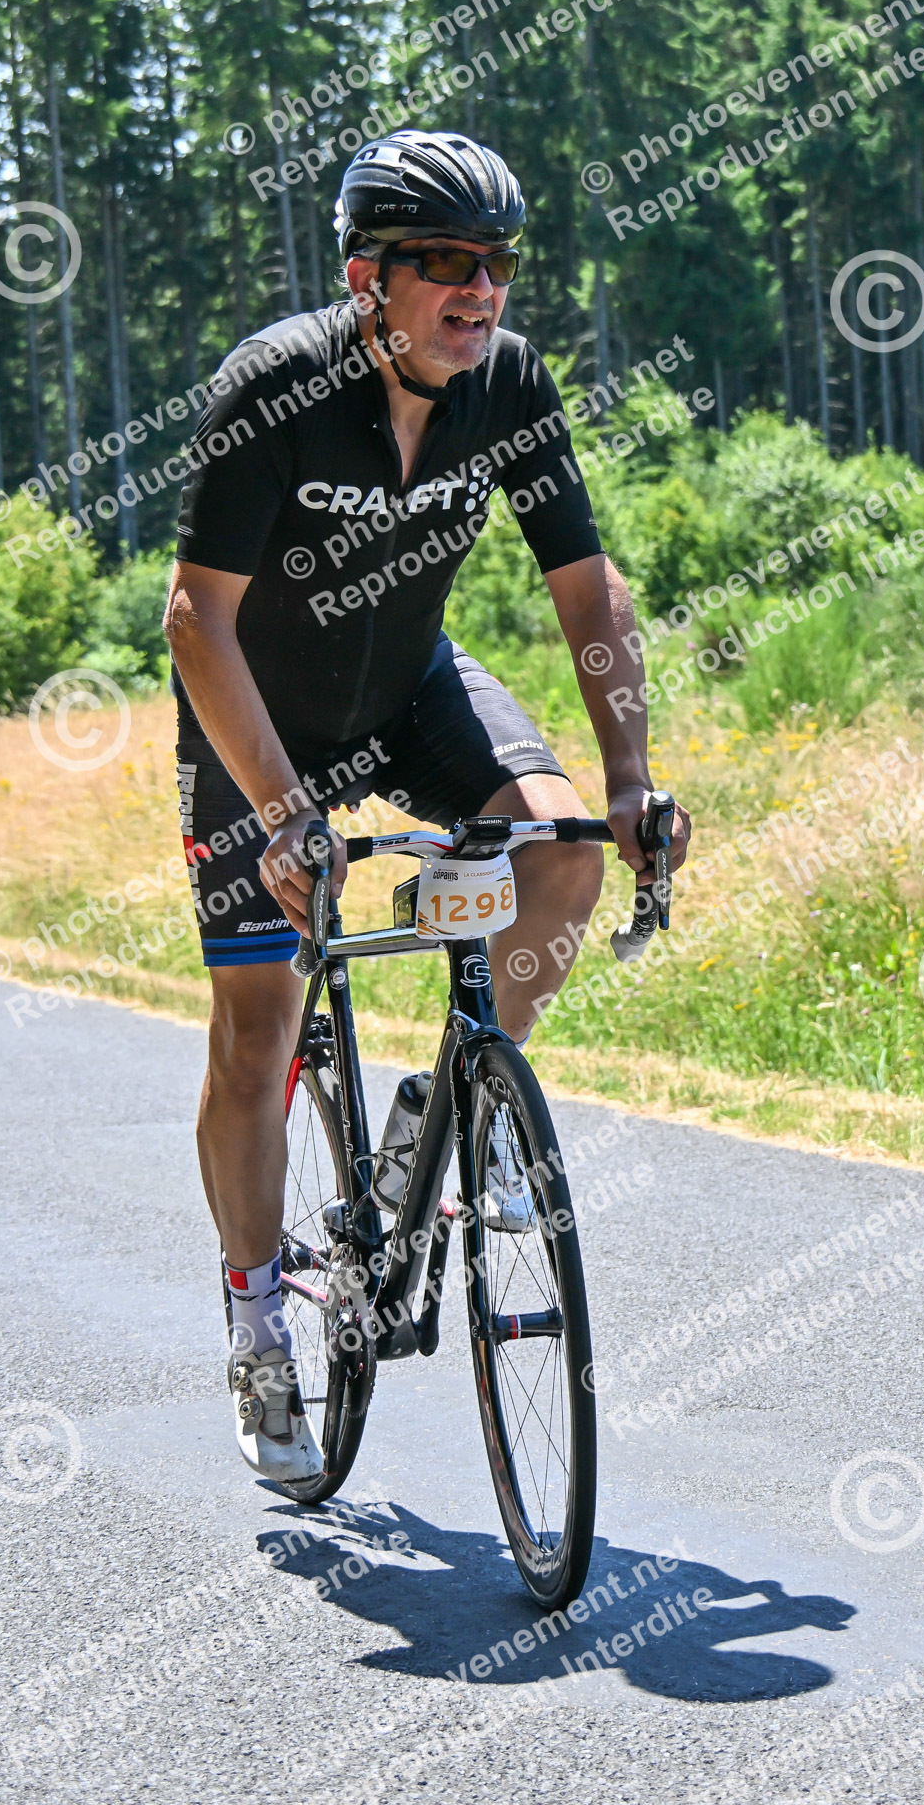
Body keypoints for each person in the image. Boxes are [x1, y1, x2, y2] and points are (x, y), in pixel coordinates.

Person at [163, 128, 690, 1491]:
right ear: (368, 278)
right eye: (448, 262)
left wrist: (629, 777)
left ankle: (450, 1110)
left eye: (498, 262)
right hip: (259, 721)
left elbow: (587, 587)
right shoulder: (276, 386)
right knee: (258, 1029)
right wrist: (281, 810)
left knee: (561, 853)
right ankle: (257, 1320)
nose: (481, 289)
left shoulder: (507, 383)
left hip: (411, 691)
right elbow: (197, 618)